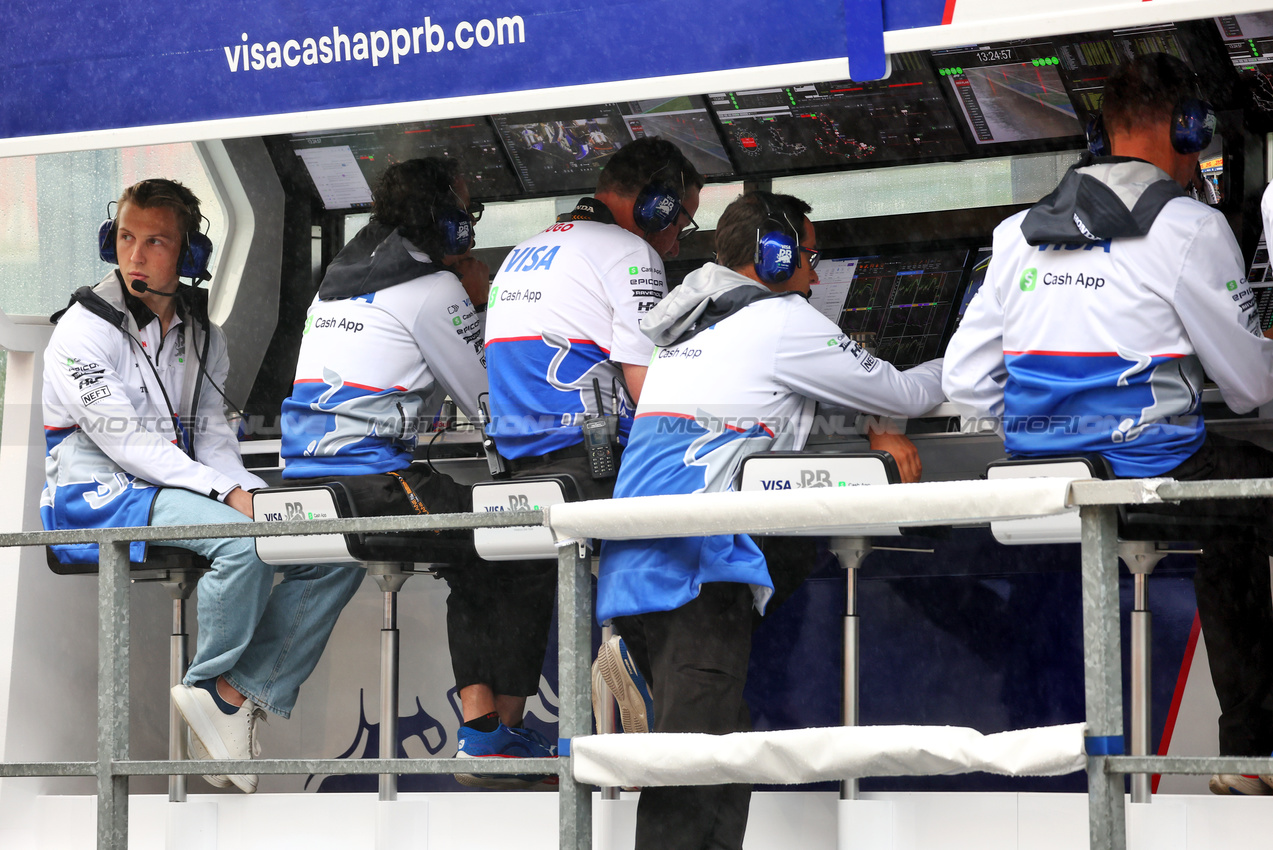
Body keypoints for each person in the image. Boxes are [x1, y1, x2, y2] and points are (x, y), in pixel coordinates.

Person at [943, 52, 1273, 796]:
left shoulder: (1013, 233)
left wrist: (1056, 426)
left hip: (1039, 485)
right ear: (1185, 130)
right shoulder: (1188, 225)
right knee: (1246, 501)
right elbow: (1249, 389)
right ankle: (1250, 752)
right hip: (1143, 479)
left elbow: (963, 381)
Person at [597, 191, 945, 850]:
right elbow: (906, 393)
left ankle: (642, 674)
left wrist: (867, 418)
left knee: (728, 748)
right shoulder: (783, 318)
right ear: (776, 256)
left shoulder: (690, 322)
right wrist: (988, 350)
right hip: (698, 569)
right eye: (810, 258)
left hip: (636, 566)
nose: (815, 276)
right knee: (695, 771)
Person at [41, 178, 354, 794]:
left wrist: (258, 497)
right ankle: (210, 687)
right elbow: (126, 443)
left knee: (328, 544)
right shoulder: (80, 330)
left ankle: (236, 698)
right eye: (126, 237)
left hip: (170, 480)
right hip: (98, 489)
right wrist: (227, 497)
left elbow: (212, 441)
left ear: (188, 257)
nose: (135, 255)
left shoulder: (204, 335)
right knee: (242, 540)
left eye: (155, 241)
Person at [278, 157, 557, 788]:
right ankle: (494, 737)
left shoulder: (338, 279)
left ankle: (489, 733)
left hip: (306, 480)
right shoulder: (437, 290)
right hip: (371, 483)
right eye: (467, 209)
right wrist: (481, 302)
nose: (471, 221)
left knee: (480, 547)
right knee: (523, 541)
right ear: (446, 221)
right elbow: (488, 399)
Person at [483, 137, 703, 737]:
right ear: (656, 205)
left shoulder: (521, 251)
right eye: (681, 218)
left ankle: (566, 736)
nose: (679, 237)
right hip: (594, 468)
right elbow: (646, 384)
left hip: (520, 476)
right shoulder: (631, 252)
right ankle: (648, 714)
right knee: (703, 546)